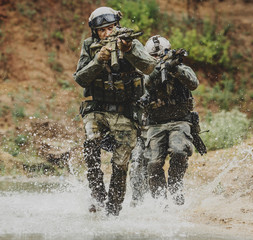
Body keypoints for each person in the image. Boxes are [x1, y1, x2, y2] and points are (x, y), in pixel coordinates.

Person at [73, 7, 156, 216]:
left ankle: (113, 209)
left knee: (120, 163)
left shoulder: (131, 43)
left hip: (126, 112)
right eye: (102, 30)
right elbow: (81, 78)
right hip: (97, 109)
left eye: (110, 28)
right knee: (91, 145)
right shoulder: (88, 46)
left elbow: (149, 68)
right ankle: (97, 196)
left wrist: (128, 50)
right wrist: (98, 60)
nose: (107, 33)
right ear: (95, 32)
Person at [135, 35, 200, 205]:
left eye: (161, 55)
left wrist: (174, 69)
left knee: (179, 151)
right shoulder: (144, 73)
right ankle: (160, 201)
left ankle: (175, 185)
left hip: (180, 121)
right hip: (155, 124)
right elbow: (145, 85)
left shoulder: (180, 68)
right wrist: (157, 70)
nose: (158, 58)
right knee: (153, 163)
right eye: (153, 56)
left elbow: (193, 83)